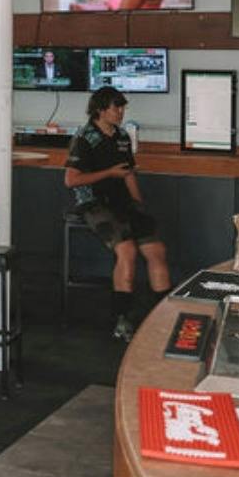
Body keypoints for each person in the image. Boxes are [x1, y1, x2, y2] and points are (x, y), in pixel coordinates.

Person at [65, 85, 169, 341]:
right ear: (101, 110)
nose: (121, 112)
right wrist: (109, 174)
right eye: (116, 107)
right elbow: (71, 180)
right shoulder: (84, 138)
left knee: (156, 251)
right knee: (128, 251)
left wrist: (137, 203)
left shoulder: (122, 136)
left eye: (122, 107)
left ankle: (164, 316)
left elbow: (128, 173)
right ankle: (122, 320)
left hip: (122, 202)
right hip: (94, 203)